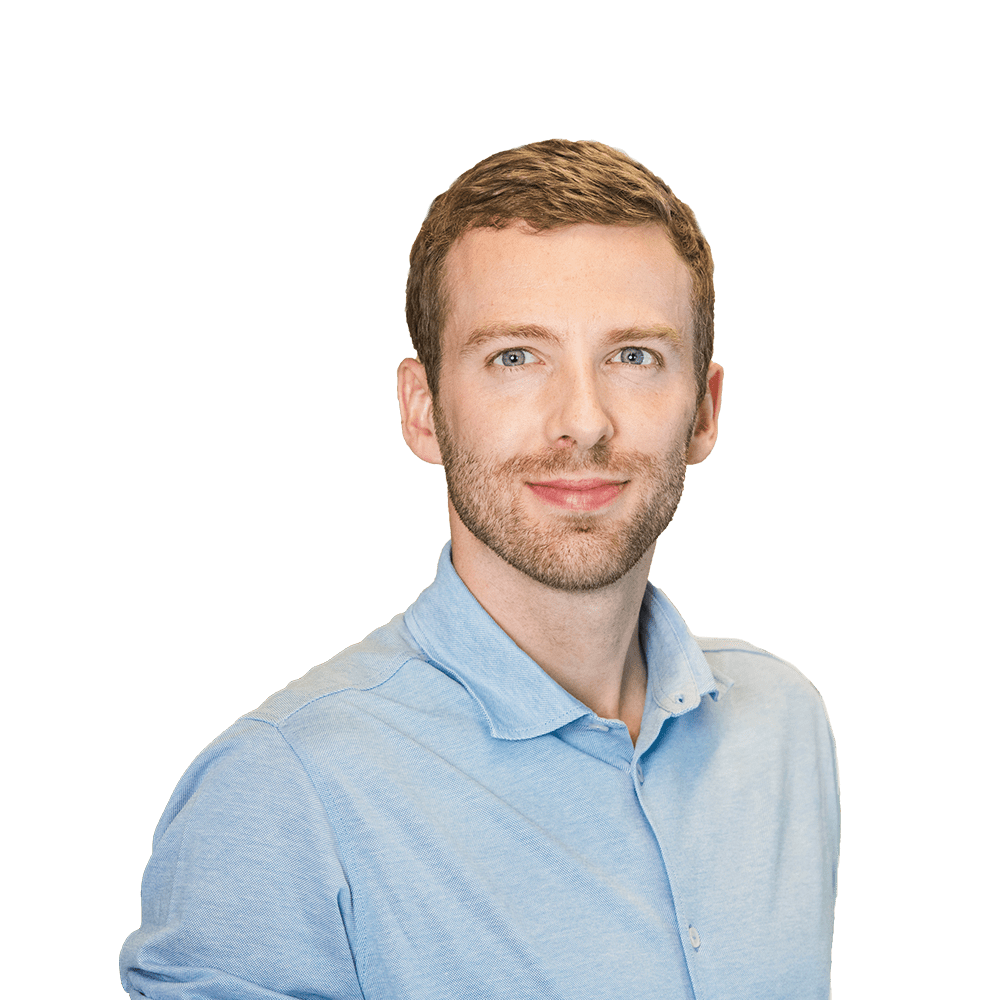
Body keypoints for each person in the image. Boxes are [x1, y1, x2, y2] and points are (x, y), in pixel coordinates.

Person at [121, 139, 839, 999]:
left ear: (705, 411)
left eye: (634, 356)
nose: (584, 421)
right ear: (424, 411)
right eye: (515, 357)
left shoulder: (783, 725)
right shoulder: (282, 790)